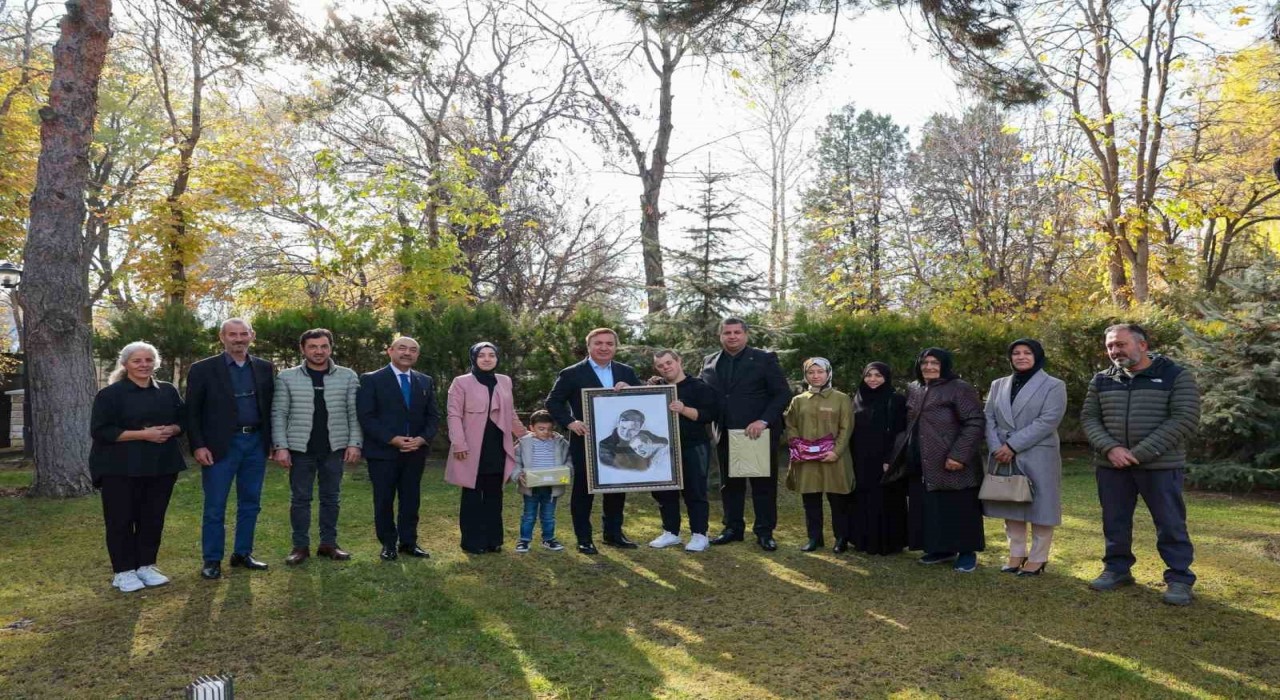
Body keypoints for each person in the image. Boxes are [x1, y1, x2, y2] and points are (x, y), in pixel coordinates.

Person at [1081, 324, 1201, 605]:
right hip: (1112, 466)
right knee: (1115, 521)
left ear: (1143, 345)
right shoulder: (1101, 379)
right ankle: (1117, 569)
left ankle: (1180, 579)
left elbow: (1184, 418)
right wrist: (1111, 448)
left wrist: (1138, 453)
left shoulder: (1175, 375)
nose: (1114, 351)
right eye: (1110, 346)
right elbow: (1089, 418)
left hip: (1160, 466)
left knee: (1170, 523)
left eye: (1120, 344)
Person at [90, 342, 186, 593]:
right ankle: (123, 572)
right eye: (137, 361)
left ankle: (146, 566)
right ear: (125, 364)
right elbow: (101, 431)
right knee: (121, 520)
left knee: (152, 518)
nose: (143, 365)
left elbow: (182, 422)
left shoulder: (167, 391)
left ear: (155, 363)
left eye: (148, 360)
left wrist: (171, 430)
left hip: (161, 466)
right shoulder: (110, 395)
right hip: (120, 468)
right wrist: (143, 435)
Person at [186, 318, 275, 581]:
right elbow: (191, 412)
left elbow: (270, 407)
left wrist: (272, 442)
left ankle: (242, 553)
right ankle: (212, 559)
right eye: (233, 334)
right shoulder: (203, 369)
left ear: (252, 336)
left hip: (255, 443)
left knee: (251, 503)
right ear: (222, 337)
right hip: (219, 446)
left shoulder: (264, 367)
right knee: (215, 506)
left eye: (243, 334)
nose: (239, 339)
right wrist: (198, 445)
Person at [545, 328, 642, 555]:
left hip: (619, 442)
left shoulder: (625, 372)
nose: (604, 347)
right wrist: (570, 422)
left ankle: (614, 534)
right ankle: (584, 538)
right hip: (585, 439)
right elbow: (553, 402)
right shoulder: (571, 373)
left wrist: (632, 389)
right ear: (589, 346)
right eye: (598, 343)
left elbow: (642, 400)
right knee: (584, 490)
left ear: (615, 347)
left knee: (617, 486)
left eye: (609, 343)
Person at [271, 328, 363, 565]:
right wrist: (280, 446)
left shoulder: (348, 376)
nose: (318, 351)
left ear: (331, 348)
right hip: (300, 449)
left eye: (323, 346)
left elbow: (355, 413)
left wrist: (354, 443)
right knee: (300, 499)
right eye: (313, 347)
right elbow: (279, 413)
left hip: (334, 448)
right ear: (303, 349)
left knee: (331, 498)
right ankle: (300, 546)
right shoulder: (286, 377)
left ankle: (329, 544)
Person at [891, 348, 986, 572]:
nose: (929, 367)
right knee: (931, 507)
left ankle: (966, 552)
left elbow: (974, 421)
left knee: (959, 507)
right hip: (922, 459)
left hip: (952, 459)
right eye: (925, 362)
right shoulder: (914, 388)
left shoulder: (959, 388)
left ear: (945, 365)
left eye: (935, 362)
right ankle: (940, 548)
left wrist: (958, 455)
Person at [700, 317, 790, 551]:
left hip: (755, 433)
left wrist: (763, 420)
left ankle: (764, 532)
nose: (732, 336)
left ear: (746, 335)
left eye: (737, 332)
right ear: (720, 336)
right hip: (725, 432)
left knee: (762, 485)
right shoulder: (709, 362)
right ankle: (732, 528)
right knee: (730, 485)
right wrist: (663, 383)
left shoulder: (764, 359)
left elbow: (781, 394)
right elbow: (699, 392)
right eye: (727, 332)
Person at [982, 339, 1068, 577]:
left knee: (1041, 507)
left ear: (1037, 356)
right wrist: (996, 447)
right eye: (1016, 353)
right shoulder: (998, 384)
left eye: (1027, 353)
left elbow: (1049, 420)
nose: (1021, 357)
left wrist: (1012, 445)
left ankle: (1038, 557)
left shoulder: (1054, 385)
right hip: (1002, 455)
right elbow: (988, 418)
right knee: (1011, 503)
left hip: (1038, 453)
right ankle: (1016, 553)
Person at [357, 336, 440, 561]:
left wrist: (422, 439)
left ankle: (409, 542)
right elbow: (366, 416)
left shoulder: (425, 381)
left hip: (415, 451)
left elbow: (433, 417)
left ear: (417, 355)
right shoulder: (371, 379)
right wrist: (391, 438)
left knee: (411, 499)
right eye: (402, 348)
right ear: (390, 351)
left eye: (413, 350)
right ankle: (388, 544)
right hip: (383, 452)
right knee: (383, 499)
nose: (407, 353)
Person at [446, 342, 525, 554]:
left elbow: (510, 413)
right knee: (472, 494)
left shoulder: (505, 381)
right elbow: (453, 414)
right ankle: (472, 542)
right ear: (474, 358)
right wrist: (459, 442)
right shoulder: (461, 382)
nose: (487, 359)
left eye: (492, 355)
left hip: (497, 445)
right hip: (470, 446)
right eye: (482, 355)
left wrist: (525, 436)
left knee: (494, 494)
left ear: (497, 358)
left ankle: (493, 540)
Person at [647, 349, 720, 553]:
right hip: (662, 449)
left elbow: (709, 414)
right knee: (664, 491)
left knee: (695, 490)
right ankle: (671, 532)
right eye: (660, 366)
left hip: (693, 445)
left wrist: (684, 409)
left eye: (669, 363)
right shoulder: (656, 387)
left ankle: (699, 535)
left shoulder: (698, 387)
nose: (665, 368)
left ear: (679, 361)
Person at [783, 358, 855, 553]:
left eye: (820, 372)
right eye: (811, 372)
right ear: (806, 375)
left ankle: (841, 539)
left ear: (828, 373)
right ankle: (814, 538)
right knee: (811, 499)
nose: (815, 376)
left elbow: (846, 427)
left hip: (834, 459)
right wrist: (797, 446)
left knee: (838, 500)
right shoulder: (798, 400)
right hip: (807, 460)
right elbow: (791, 425)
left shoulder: (841, 398)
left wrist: (836, 452)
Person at [849, 362, 909, 556]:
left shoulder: (896, 399)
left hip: (885, 460)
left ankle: (888, 543)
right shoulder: (857, 398)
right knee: (863, 498)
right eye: (869, 375)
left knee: (886, 500)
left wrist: (890, 459)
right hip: (861, 459)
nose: (873, 379)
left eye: (878, 375)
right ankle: (864, 540)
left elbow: (900, 433)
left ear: (886, 377)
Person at [509, 410, 569, 553]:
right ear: (531, 428)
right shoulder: (524, 443)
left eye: (549, 429)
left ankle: (548, 539)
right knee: (529, 515)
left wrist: (566, 472)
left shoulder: (560, 442)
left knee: (548, 515)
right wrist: (518, 475)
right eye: (541, 429)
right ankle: (524, 540)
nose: (545, 432)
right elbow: (515, 462)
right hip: (531, 487)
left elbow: (569, 461)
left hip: (551, 487)